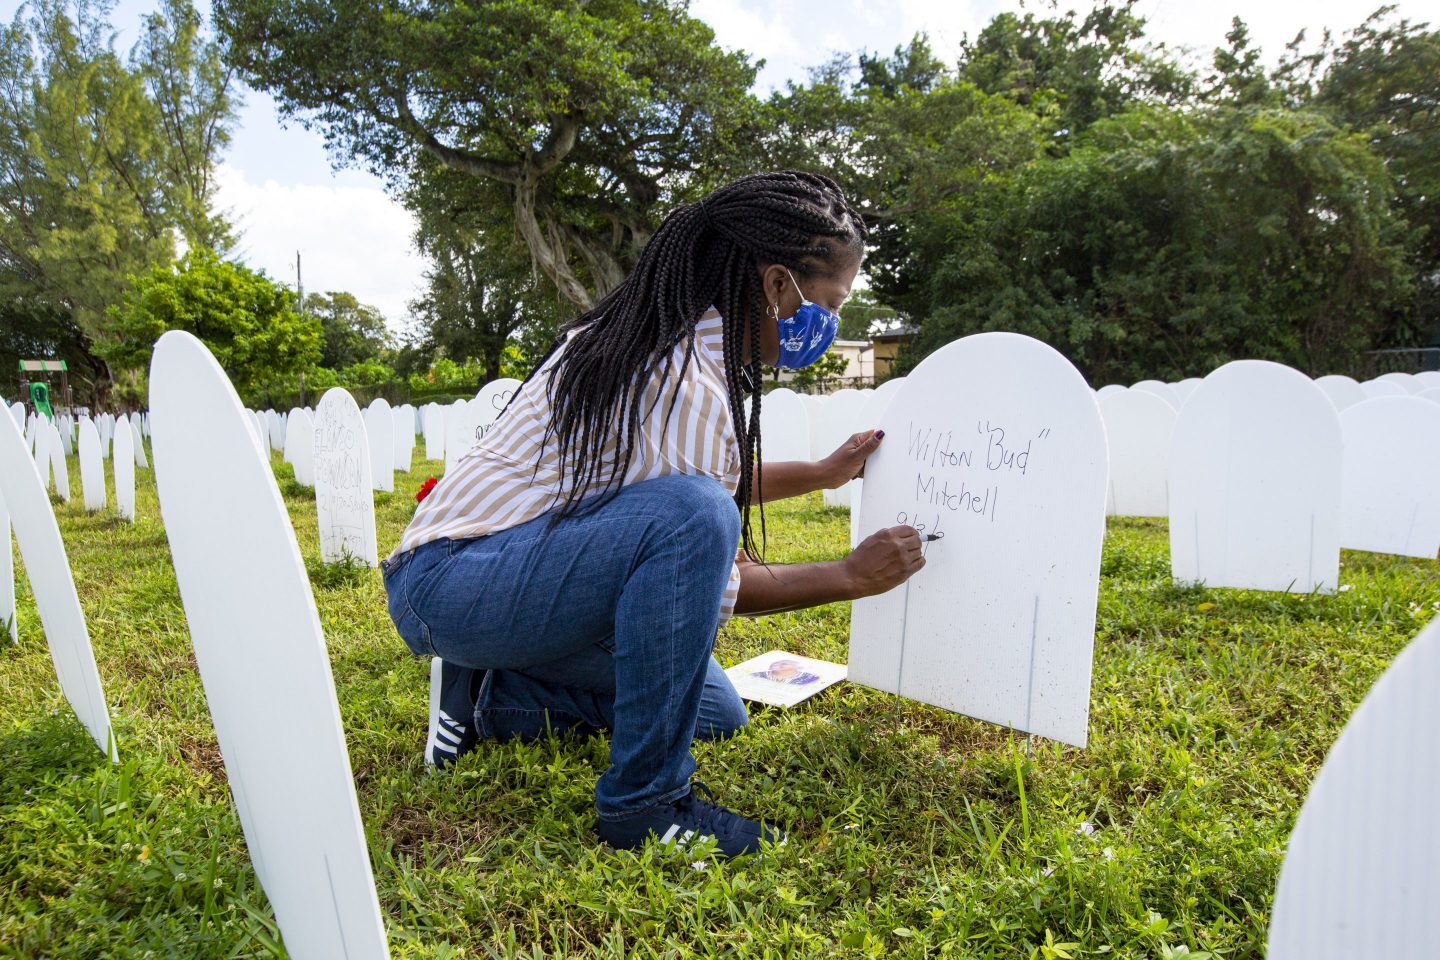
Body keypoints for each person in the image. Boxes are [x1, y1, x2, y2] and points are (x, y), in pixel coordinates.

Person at [382, 170, 925, 858]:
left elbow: (696, 481)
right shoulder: (681, 378)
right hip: (451, 580)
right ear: (777, 284)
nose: (831, 325)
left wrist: (820, 474)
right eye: (831, 301)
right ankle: (647, 805)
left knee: (715, 711)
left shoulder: (673, 341)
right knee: (695, 518)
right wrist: (850, 575)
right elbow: (698, 531)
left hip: (497, 572)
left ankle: (488, 693)